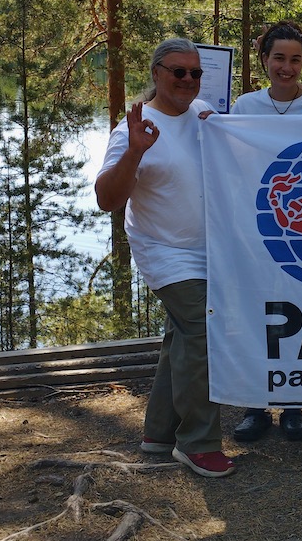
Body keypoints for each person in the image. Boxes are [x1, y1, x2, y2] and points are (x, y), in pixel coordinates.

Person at [94, 38, 235, 480]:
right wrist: (136, 151)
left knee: (183, 335)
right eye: (178, 72)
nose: (189, 81)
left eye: (195, 73)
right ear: (156, 73)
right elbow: (107, 199)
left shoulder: (202, 114)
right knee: (202, 332)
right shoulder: (133, 129)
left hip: (210, 251)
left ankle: (158, 433)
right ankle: (198, 443)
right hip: (164, 251)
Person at [230, 20, 302, 444]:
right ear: (264, 60)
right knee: (258, 315)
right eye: (279, 58)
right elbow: (232, 163)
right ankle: (256, 407)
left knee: (298, 316)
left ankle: (293, 408)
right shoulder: (244, 106)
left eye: (295, 59)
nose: (287, 68)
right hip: (258, 230)